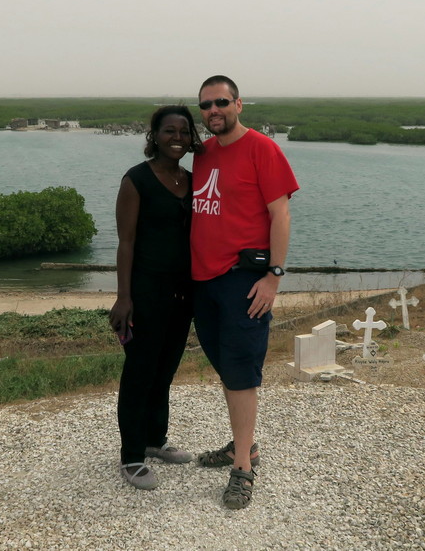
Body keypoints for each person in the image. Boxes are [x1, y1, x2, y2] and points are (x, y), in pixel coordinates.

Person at [190, 75, 299, 509]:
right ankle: (244, 445)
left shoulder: (262, 148)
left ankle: (243, 469)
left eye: (220, 102)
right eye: (205, 105)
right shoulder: (203, 154)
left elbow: (281, 214)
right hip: (203, 280)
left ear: (239, 104)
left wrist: (273, 277)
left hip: (242, 280)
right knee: (225, 365)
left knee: (241, 371)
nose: (212, 110)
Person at [109, 105, 203, 490]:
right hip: (146, 292)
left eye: (184, 131)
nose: (177, 138)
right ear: (154, 136)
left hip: (183, 293)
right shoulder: (137, 180)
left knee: (165, 372)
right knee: (140, 374)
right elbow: (126, 243)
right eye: (169, 131)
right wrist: (123, 298)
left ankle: (154, 440)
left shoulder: (193, 181)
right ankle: (131, 456)